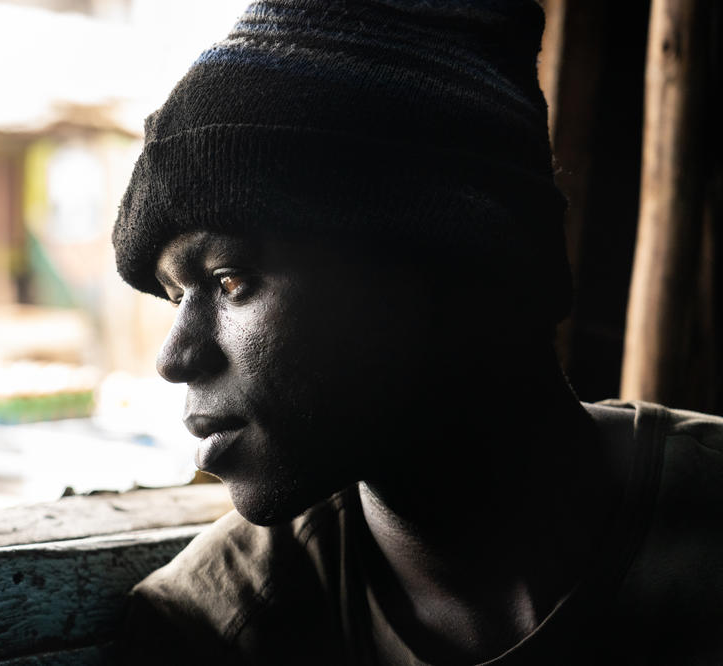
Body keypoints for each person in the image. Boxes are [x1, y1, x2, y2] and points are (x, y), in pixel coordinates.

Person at [109, 1, 723, 664]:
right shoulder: (214, 630)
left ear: (446, 258)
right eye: (174, 297)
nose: (174, 357)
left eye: (230, 280)